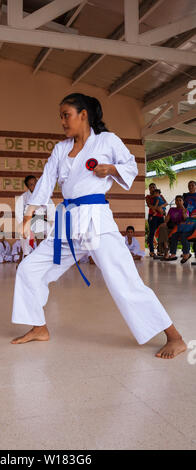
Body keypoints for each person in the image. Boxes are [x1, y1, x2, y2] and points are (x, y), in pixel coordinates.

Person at [10, 93, 186, 360]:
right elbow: (46, 181)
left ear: (83, 115)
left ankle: (175, 337)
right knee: (29, 268)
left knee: (123, 279)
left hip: (96, 220)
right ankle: (39, 327)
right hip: (68, 222)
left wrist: (111, 169)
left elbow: (130, 166)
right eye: (60, 116)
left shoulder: (107, 140)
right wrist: (28, 216)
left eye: (65, 115)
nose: (62, 121)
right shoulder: (61, 148)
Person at [15, 175, 54, 256]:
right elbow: (19, 215)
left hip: (42, 222)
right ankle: (25, 255)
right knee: (25, 237)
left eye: (36, 183)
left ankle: (45, 256)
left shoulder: (45, 197)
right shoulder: (23, 198)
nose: (35, 186)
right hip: (29, 222)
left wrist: (49, 218)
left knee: (52, 233)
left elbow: (51, 211)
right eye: (31, 184)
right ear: (28, 187)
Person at [159, 195, 189, 260]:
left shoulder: (185, 210)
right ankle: (166, 249)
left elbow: (186, 220)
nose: (178, 202)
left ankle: (169, 252)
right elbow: (167, 218)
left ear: (183, 202)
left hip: (179, 229)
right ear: (175, 201)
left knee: (174, 233)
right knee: (162, 228)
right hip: (171, 228)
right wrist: (164, 223)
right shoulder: (172, 209)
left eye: (180, 200)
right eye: (177, 200)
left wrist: (184, 212)